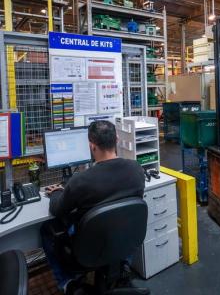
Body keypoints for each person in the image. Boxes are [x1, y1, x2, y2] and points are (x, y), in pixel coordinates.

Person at [41, 120, 145, 294]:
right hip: (123, 241)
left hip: (89, 249)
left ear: (91, 146)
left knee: (47, 229)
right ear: (117, 139)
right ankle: (121, 269)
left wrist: (56, 193)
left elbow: (57, 210)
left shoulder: (81, 181)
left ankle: (68, 282)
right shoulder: (136, 169)